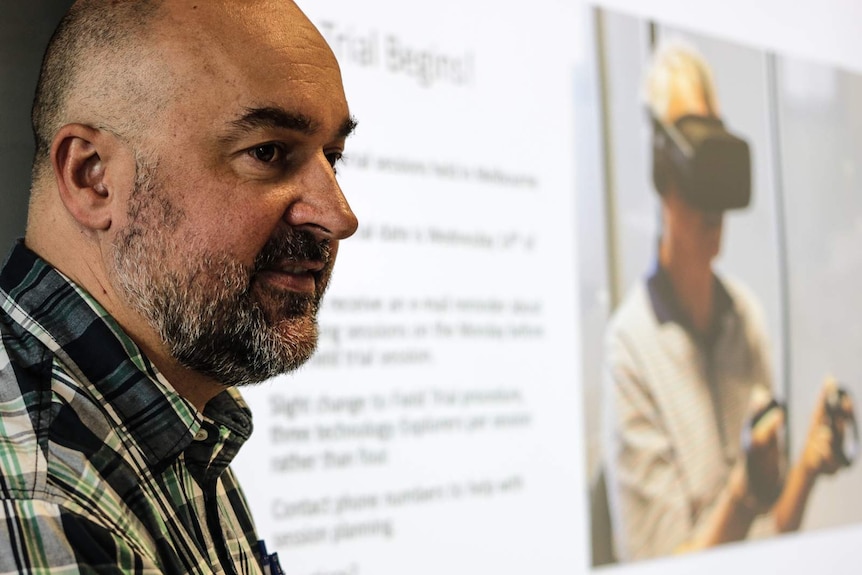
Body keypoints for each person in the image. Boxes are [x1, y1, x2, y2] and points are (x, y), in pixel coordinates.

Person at [0, 0, 358, 572]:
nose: (339, 217)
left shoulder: (181, 423)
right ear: (93, 177)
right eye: (268, 152)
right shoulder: (39, 505)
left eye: (333, 159)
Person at [601, 40, 852, 562]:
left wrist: (803, 468)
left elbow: (770, 536)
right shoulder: (630, 349)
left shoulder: (746, 319)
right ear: (661, 169)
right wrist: (743, 494)